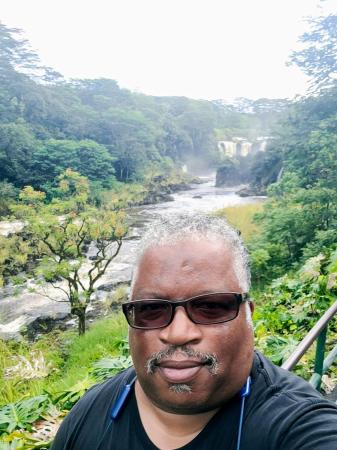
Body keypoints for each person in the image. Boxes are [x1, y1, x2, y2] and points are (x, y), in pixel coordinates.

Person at [51, 213, 337, 450]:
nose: (177, 333)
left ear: (248, 316)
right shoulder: (88, 414)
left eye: (211, 307)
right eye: (151, 309)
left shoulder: (298, 426)